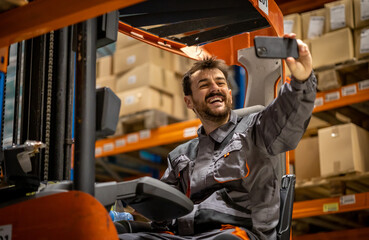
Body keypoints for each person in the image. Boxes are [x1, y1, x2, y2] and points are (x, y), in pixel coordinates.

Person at [118, 33, 317, 240]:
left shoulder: (255, 131)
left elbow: (288, 116)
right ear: (189, 102)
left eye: (220, 83)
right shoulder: (180, 156)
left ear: (229, 93)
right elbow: (164, 211)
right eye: (204, 85)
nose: (214, 88)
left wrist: (301, 81)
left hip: (238, 234)